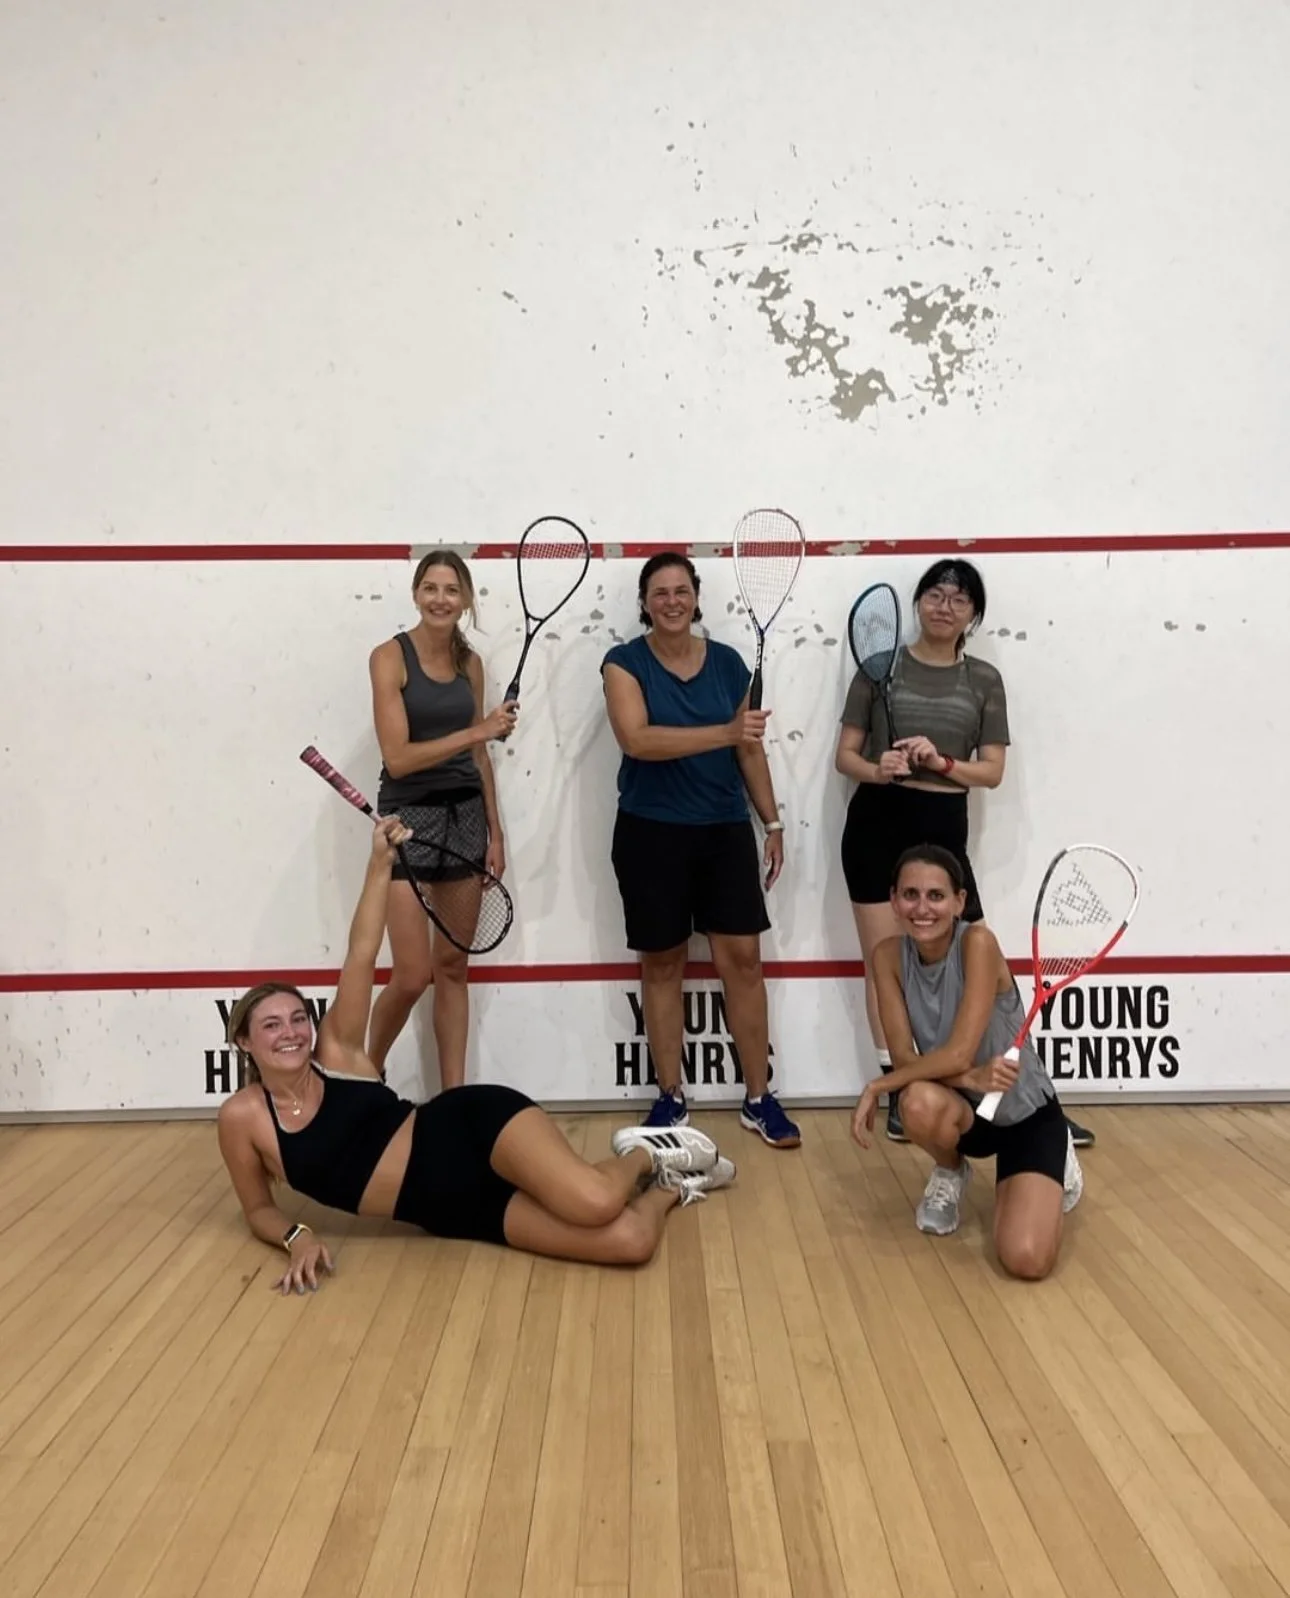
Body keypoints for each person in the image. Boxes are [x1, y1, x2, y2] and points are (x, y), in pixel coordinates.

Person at [217, 817, 735, 1293]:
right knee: (629, 1243)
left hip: (472, 1130)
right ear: (244, 1040)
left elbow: (362, 952)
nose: (290, 1033)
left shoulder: (339, 1054)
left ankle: (646, 1151)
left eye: (297, 1019)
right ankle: (671, 1184)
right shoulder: (243, 1118)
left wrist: (381, 865)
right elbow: (258, 1208)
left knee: (596, 1202)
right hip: (449, 1208)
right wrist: (297, 1237)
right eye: (271, 1025)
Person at [834, 558, 1094, 1150]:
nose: (944, 605)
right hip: (876, 823)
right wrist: (879, 767)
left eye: (959, 598)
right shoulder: (879, 670)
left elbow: (993, 771)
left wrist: (941, 761)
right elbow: (843, 755)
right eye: (935, 593)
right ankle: (901, 1093)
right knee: (887, 965)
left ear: (973, 614)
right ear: (919, 601)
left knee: (984, 965)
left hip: (942, 827)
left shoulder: (982, 679)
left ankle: (1034, 1099)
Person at [600, 551, 800, 1149]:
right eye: (658, 592)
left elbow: (749, 752)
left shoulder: (730, 663)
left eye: (680, 590)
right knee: (663, 965)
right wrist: (725, 731)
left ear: (695, 595)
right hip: (649, 832)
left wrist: (772, 822)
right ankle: (670, 1098)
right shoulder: (622, 663)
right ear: (644, 602)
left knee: (743, 962)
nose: (671, 601)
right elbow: (637, 740)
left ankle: (759, 1099)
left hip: (723, 832)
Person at [850, 845, 1082, 1279]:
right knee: (915, 1101)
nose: (922, 908)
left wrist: (877, 1086)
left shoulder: (978, 943)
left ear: (959, 902)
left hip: (1024, 1114)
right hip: (965, 1111)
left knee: (1026, 1260)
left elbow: (957, 1050)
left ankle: (1058, 1159)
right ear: (895, 900)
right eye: (911, 894)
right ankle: (952, 1171)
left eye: (936, 896)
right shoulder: (887, 957)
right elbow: (903, 1057)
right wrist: (969, 1076)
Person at [365, 551, 513, 1088]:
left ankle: (454, 1099)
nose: (440, 598)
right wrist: (480, 731)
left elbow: (480, 758)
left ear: (467, 599)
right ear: (415, 593)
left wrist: (495, 833)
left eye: (452, 589)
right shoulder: (389, 658)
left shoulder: (470, 664)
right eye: (430, 587)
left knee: (452, 967)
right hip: (408, 821)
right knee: (411, 974)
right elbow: (398, 757)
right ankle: (365, 1072)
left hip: (466, 820)